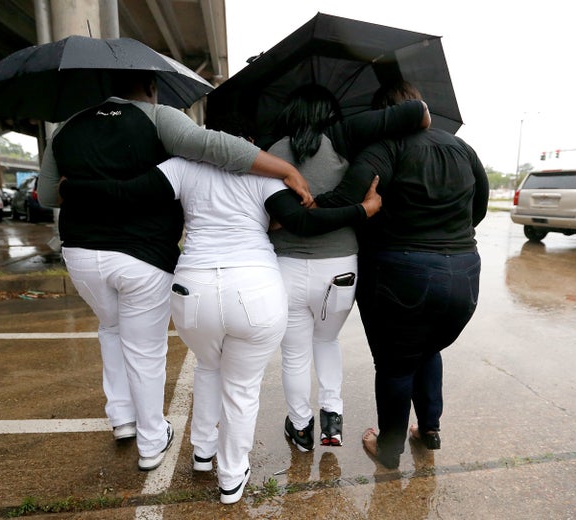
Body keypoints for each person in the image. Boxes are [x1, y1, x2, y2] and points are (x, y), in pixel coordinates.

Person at [58, 114, 383, 503]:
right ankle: (231, 476)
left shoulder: (181, 167)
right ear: (245, 145)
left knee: (208, 366)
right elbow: (301, 221)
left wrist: (73, 186)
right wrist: (363, 209)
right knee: (242, 387)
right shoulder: (264, 175)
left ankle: (202, 450)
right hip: (254, 289)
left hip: (192, 289)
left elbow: (125, 194)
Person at [37, 70, 312, 472]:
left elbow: (48, 194)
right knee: (145, 349)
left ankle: (121, 418)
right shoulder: (158, 116)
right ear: (151, 86)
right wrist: (285, 170)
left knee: (110, 329)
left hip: (81, 251)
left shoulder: (65, 127)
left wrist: (81, 185)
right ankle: (152, 441)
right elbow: (210, 145)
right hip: (142, 254)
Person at [314, 81, 489, 468]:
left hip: (404, 275)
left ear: (383, 115)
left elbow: (347, 199)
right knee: (427, 348)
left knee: (395, 363)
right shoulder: (463, 149)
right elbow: (478, 211)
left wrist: (304, 205)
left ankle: (389, 447)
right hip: (465, 274)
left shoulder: (384, 149)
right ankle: (429, 428)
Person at [266, 84, 430, 450]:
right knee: (327, 340)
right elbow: (415, 111)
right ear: (329, 115)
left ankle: (301, 427)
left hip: (286, 267)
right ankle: (332, 421)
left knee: (294, 352)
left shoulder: (273, 152)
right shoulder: (344, 141)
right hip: (340, 266)